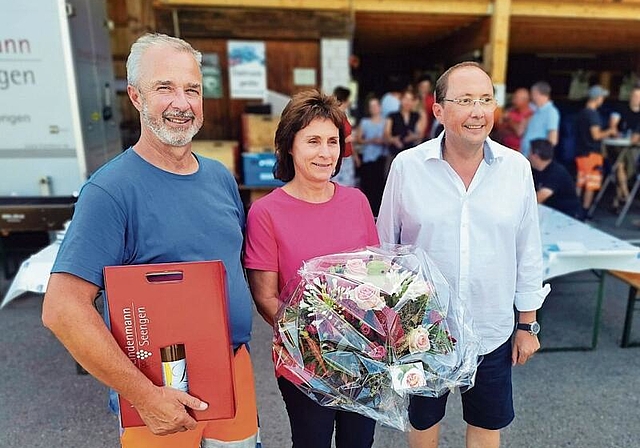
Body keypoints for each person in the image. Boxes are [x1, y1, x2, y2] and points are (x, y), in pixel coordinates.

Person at [41, 33, 257, 447]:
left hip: (233, 374)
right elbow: (62, 310)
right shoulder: (110, 191)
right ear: (136, 97)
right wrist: (145, 396)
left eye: (192, 89)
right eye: (165, 87)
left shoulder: (219, 178)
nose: (182, 102)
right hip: (158, 392)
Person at [377, 61, 549, 448]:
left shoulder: (516, 169)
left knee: (487, 426)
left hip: (493, 330)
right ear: (438, 109)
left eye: (486, 100)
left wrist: (527, 325)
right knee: (422, 426)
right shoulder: (408, 166)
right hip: (421, 332)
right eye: (466, 100)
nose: (478, 111)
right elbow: (387, 250)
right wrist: (387, 327)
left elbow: (528, 251)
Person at [244, 90, 379, 448]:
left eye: (332, 141)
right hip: (305, 360)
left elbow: (377, 275)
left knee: (359, 442)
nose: (325, 152)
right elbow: (266, 298)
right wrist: (319, 342)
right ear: (290, 146)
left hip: (362, 356)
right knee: (311, 441)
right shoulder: (266, 212)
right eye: (313, 141)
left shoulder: (357, 202)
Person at [575, 85, 617, 218]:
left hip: (581, 152)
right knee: (590, 184)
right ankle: (585, 212)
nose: (603, 99)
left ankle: (575, 208)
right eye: (602, 97)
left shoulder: (582, 113)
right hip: (592, 153)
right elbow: (596, 135)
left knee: (580, 183)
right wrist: (611, 130)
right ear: (597, 98)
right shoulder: (593, 114)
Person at [529, 138, 581, 218]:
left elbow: (539, 197)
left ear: (535, 156)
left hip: (566, 215)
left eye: (529, 152)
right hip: (549, 210)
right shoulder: (535, 169)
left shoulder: (557, 172)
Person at [610, 86, 640, 213]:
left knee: (621, 167)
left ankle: (617, 200)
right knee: (620, 165)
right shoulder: (621, 108)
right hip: (619, 145)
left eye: (638, 97)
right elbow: (613, 125)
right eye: (634, 96)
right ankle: (627, 195)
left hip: (635, 148)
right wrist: (616, 132)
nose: (636, 98)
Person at [356, 95, 387, 216]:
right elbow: (358, 139)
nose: (374, 108)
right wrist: (370, 141)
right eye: (371, 106)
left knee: (380, 185)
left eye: (376, 106)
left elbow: (388, 138)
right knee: (368, 185)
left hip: (381, 157)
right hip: (368, 157)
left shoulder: (386, 122)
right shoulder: (365, 122)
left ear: (380, 107)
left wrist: (382, 141)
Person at [384, 88, 425, 172]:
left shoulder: (416, 116)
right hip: (394, 153)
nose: (407, 102)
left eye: (410, 99)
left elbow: (420, 134)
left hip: (412, 154)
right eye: (405, 99)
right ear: (401, 100)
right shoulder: (392, 116)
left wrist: (413, 137)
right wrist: (393, 140)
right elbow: (386, 134)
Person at [521, 81, 561, 157]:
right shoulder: (536, 111)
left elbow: (552, 139)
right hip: (527, 155)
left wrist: (540, 156)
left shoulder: (551, 112)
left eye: (533, 94)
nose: (532, 97)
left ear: (538, 94)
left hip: (536, 157)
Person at [332, 85, 359, 187]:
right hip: (339, 155)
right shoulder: (335, 116)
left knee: (348, 184)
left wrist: (355, 155)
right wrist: (347, 139)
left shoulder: (343, 115)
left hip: (347, 155)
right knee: (339, 184)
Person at [416, 75, 436, 140]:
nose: (424, 89)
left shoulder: (433, 100)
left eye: (426, 87)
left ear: (430, 87)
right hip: (413, 134)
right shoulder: (413, 99)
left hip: (428, 134)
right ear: (418, 87)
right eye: (422, 86)